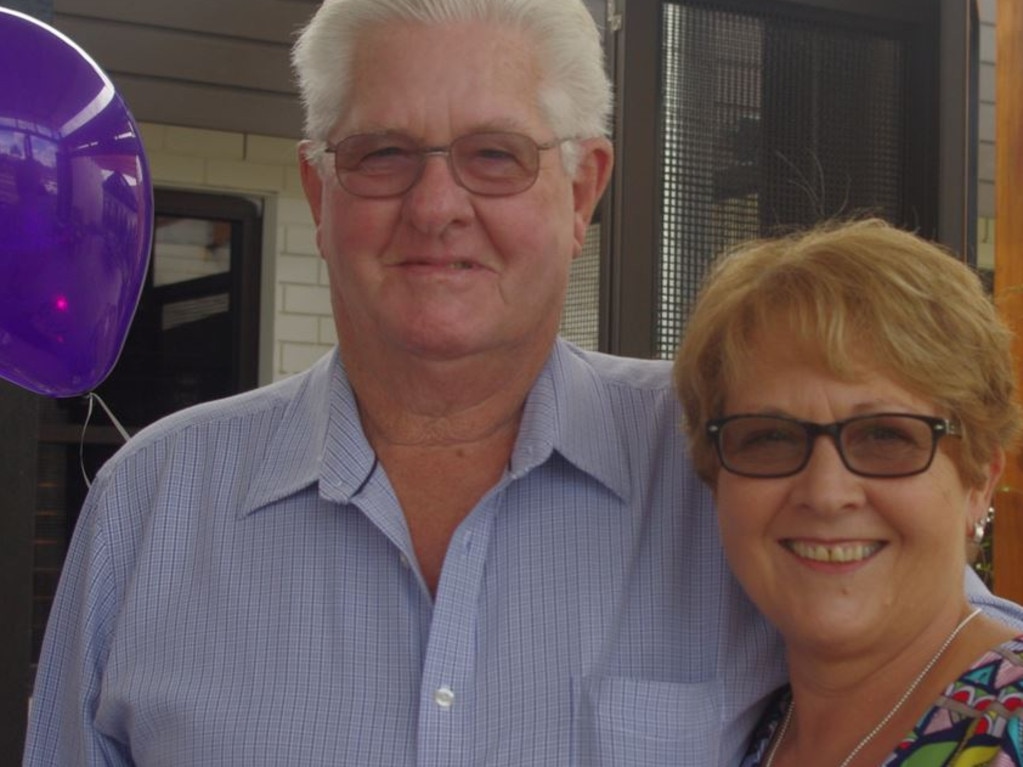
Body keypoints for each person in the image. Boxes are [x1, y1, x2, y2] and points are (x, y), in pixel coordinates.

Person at [22, 2, 1023, 764]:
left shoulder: (736, 463)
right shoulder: (150, 506)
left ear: (583, 189)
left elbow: (950, 668)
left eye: (495, 156)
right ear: (320, 193)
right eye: (383, 155)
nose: (436, 206)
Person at [674, 218, 1023, 766]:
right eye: (769, 437)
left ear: (979, 479)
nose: (827, 492)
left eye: (885, 436)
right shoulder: (755, 731)